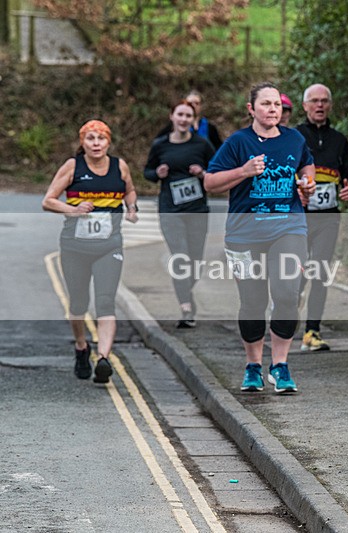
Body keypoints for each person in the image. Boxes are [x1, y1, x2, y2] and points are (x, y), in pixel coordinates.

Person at [204, 82, 315, 394]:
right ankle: (253, 366)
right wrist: (243, 171)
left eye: (277, 105)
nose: (272, 110)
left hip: (289, 228)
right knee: (253, 301)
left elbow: (306, 163)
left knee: (287, 293)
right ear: (251, 109)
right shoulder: (238, 142)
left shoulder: (294, 138)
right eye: (265, 104)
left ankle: (280, 365)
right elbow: (210, 182)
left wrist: (308, 182)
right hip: (244, 234)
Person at [42, 120, 139, 383]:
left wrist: (132, 208)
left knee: (106, 300)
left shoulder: (120, 166)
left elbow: (129, 190)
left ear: (109, 142)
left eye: (101, 139)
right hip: (75, 248)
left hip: (109, 246)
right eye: (90, 138)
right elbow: (48, 201)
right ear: (82, 142)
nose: (96, 144)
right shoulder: (73, 166)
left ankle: (104, 358)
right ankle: (81, 346)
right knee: (78, 305)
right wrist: (72, 209)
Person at [295, 83, 348, 351]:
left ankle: (312, 331)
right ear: (305, 106)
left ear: (330, 106)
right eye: (314, 101)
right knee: (296, 273)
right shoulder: (293, 137)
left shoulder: (339, 140)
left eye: (324, 101)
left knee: (320, 272)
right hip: (298, 219)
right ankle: (285, 317)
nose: (319, 106)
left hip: (328, 218)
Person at [144, 100, 216, 328]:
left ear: (193, 120)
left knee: (195, 262)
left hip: (197, 211)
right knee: (180, 257)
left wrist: (203, 173)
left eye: (188, 116)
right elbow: (147, 171)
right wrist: (157, 172)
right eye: (180, 115)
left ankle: (187, 294)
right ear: (172, 117)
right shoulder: (160, 145)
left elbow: (218, 171)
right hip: (170, 210)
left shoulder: (202, 144)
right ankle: (186, 307)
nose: (184, 119)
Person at [156, 90, 224, 151]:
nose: (194, 106)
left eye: (197, 103)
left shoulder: (210, 127)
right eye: (190, 103)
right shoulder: (175, 126)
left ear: (201, 106)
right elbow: (158, 144)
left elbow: (219, 150)